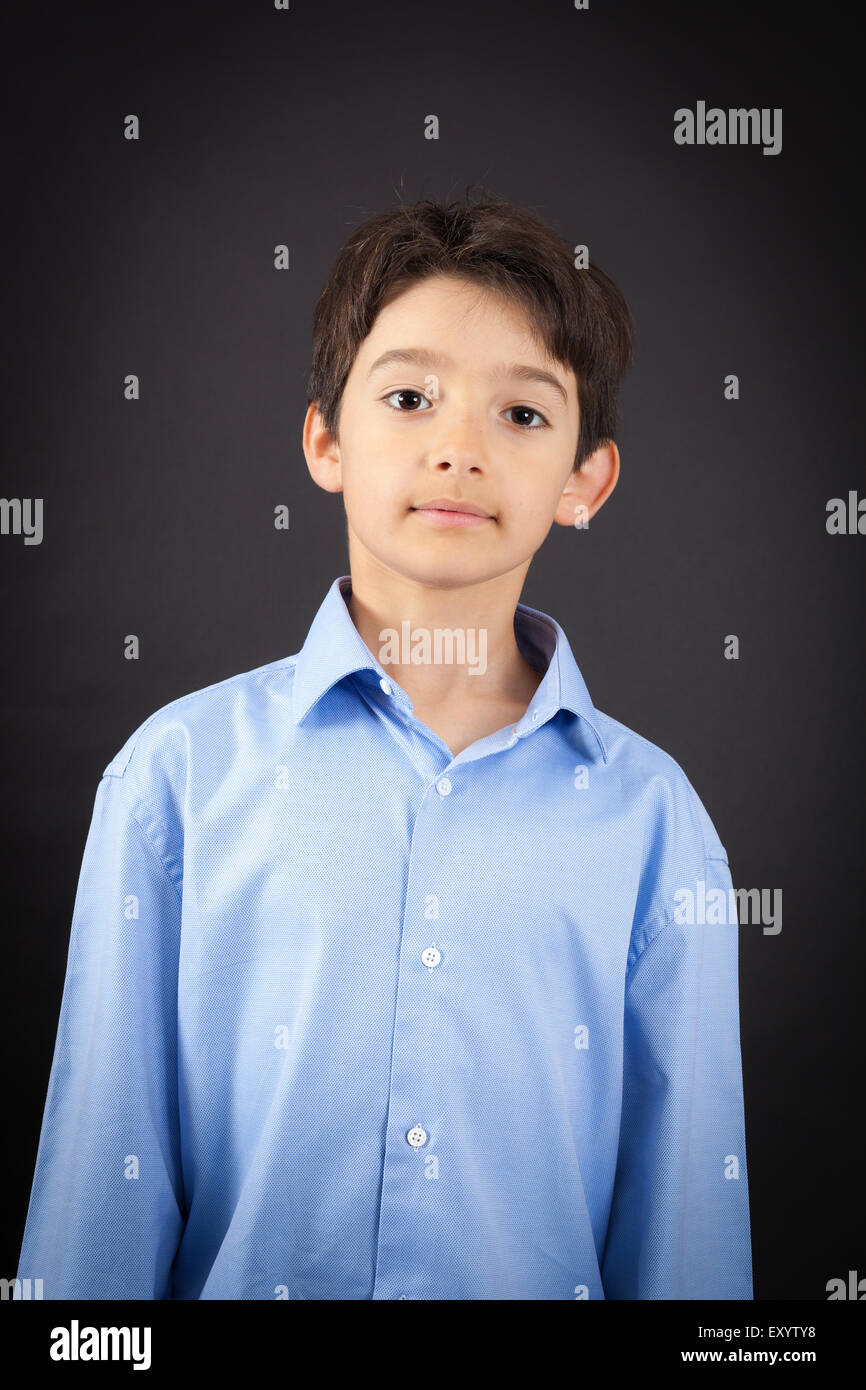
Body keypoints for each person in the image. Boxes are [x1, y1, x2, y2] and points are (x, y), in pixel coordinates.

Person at [16, 195, 752, 1299]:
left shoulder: (654, 824)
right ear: (324, 439)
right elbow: (96, 1207)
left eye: (521, 415)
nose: (457, 448)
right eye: (409, 397)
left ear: (584, 482)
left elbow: (686, 1226)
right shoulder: (172, 780)